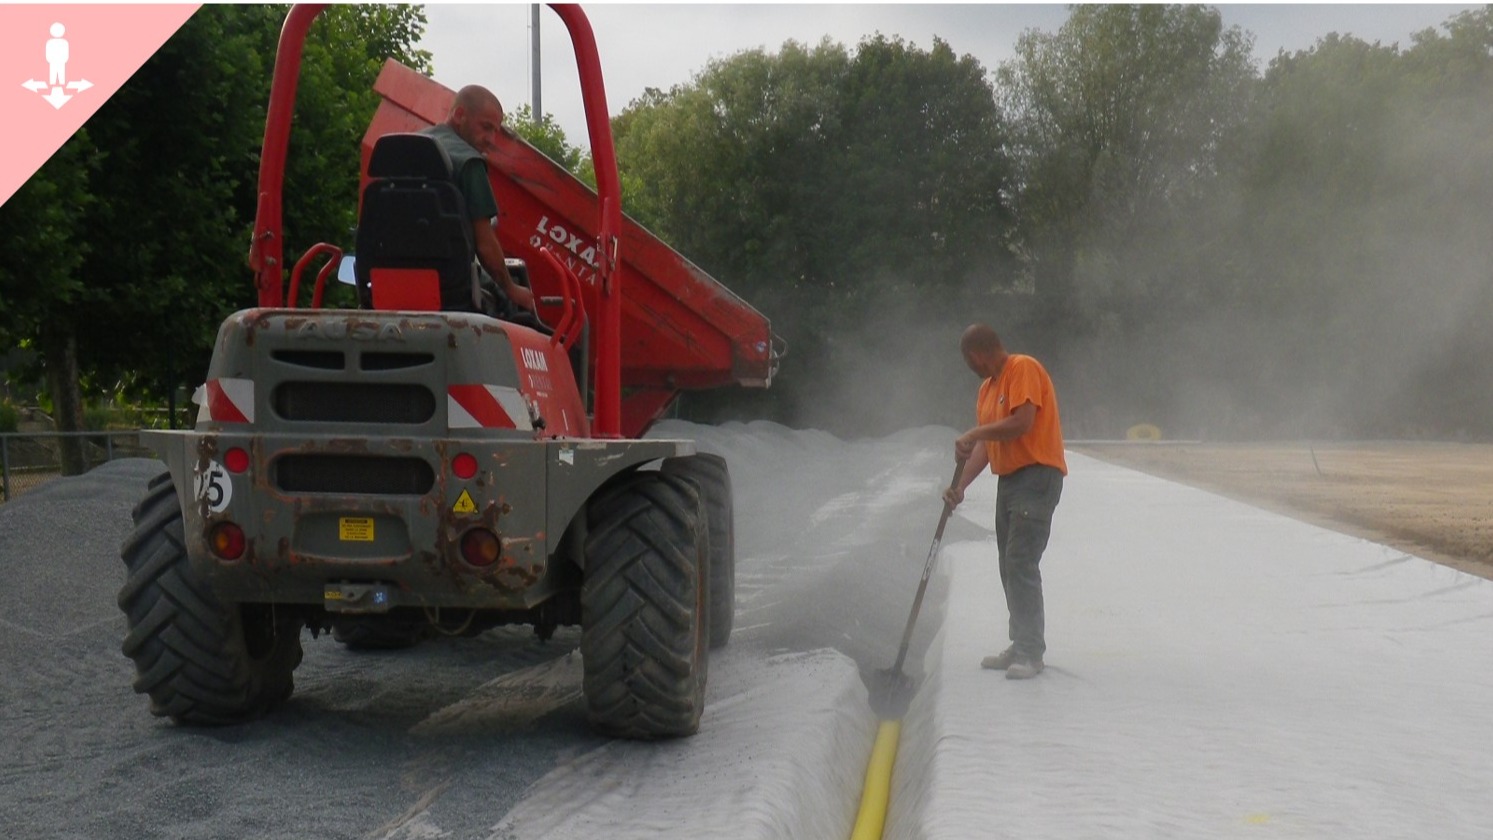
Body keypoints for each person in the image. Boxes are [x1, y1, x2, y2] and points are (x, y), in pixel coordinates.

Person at [943, 324, 1067, 680]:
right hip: (1010, 480)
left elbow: (1021, 423)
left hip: (1037, 476)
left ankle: (1031, 652)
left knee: (1020, 561)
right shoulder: (987, 389)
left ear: (978, 354)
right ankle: (1020, 643)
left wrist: (974, 432)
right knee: (1007, 564)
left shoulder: (1022, 368)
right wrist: (960, 487)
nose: (972, 368)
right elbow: (987, 446)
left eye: (971, 362)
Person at [419, 85, 537, 318]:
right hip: (449, 287)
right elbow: (484, 244)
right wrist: (512, 290)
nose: (491, 139)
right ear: (459, 115)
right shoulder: (469, 163)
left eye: (495, 131)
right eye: (486, 127)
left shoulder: (408, 147)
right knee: (515, 311)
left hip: (383, 276)